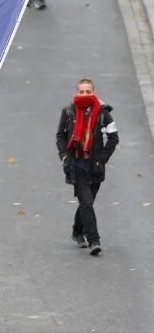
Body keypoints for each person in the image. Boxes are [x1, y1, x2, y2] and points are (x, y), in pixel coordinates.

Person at [55, 78, 119, 256]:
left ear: (93, 92)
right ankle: (94, 240)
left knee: (86, 203)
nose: (84, 94)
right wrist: (64, 157)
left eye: (87, 91)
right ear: (76, 93)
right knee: (87, 202)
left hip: (95, 166)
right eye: (81, 92)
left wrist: (102, 159)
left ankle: (77, 231)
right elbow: (60, 136)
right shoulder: (68, 111)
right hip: (76, 164)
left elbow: (113, 138)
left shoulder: (103, 113)